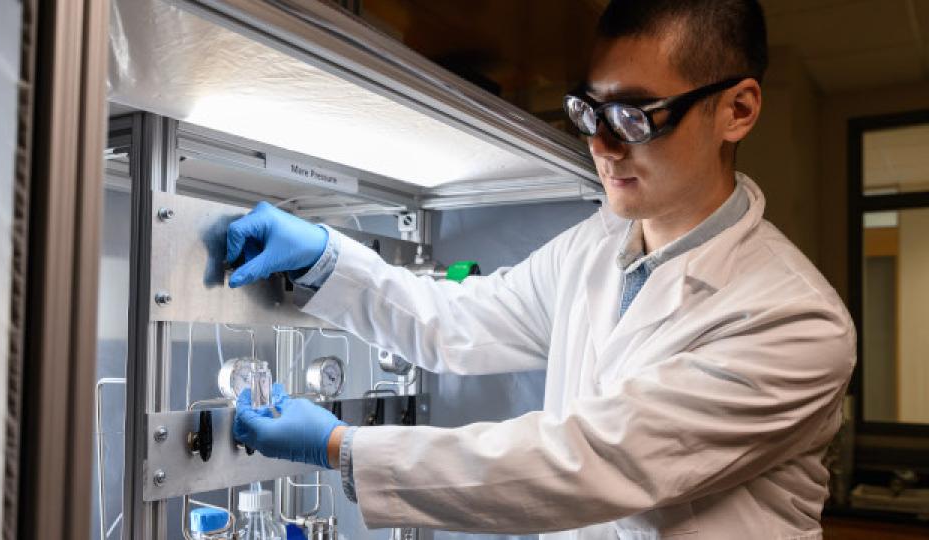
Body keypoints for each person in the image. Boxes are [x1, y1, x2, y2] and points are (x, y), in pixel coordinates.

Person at [227, 1, 855, 538]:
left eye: (636, 116)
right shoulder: (598, 243)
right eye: (591, 112)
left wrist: (341, 449)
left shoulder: (797, 323)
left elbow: (587, 462)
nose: (603, 148)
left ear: (738, 110)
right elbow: (460, 322)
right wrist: (325, 259)